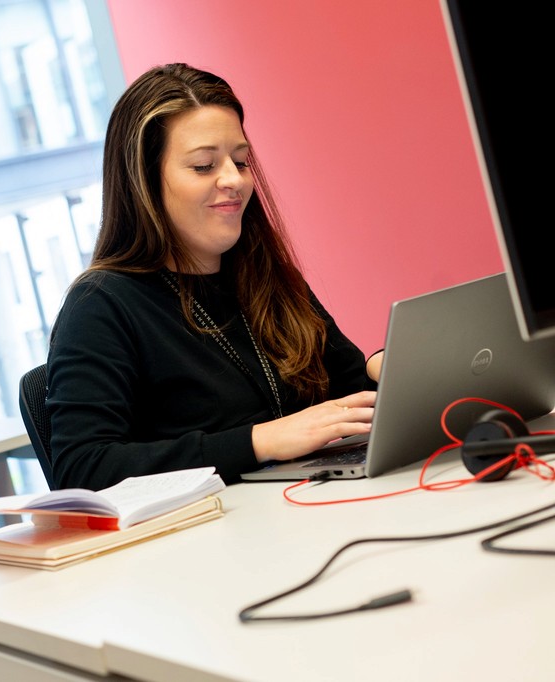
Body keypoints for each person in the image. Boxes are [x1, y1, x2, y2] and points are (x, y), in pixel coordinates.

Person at [46, 63, 383, 491]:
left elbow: (347, 393)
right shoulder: (101, 304)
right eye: (204, 166)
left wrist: (384, 368)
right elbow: (83, 468)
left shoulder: (266, 274)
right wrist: (259, 441)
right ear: (143, 183)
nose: (234, 180)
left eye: (240, 161)